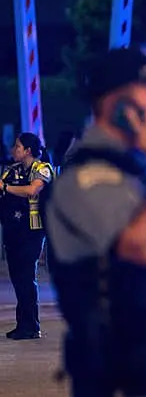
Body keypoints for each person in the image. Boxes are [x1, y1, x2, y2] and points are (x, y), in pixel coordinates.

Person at [44, 45, 146, 396]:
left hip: (144, 360)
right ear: (115, 104)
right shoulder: (87, 177)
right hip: (110, 372)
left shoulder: (134, 167)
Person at [0, 132, 54, 340]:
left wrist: (6, 187)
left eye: (18, 146)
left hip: (33, 232)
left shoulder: (42, 169)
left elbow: (33, 190)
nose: (14, 150)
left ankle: (31, 326)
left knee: (26, 277)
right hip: (13, 230)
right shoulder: (11, 170)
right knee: (17, 278)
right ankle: (22, 323)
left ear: (28, 151)